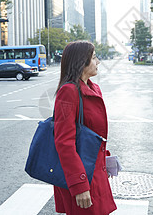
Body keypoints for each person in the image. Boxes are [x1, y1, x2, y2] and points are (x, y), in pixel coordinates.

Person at [53, 41, 117, 214]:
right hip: (82, 176)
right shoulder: (68, 92)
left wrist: (106, 160)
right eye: (94, 58)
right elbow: (64, 143)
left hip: (94, 171)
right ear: (81, 62)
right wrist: (79, 185)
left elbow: (93, 133)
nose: (98, 62)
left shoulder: (93, 87)